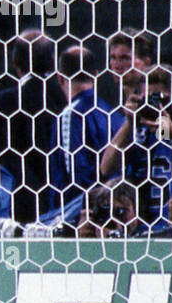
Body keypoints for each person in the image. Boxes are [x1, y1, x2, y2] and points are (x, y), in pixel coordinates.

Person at [99, 66, 172, 230]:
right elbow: (106, 168)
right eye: (147, 99)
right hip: (143, 229)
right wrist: (129, 123)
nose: (155, 107)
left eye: (159, 99)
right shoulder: (139, 125)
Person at [0, 29, 67, 223]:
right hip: (68, 199)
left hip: (26, 204)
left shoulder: (7, 100)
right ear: (53, 61)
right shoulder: (65, 96)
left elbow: (6, 157)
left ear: (15, 62)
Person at [51, 46, 123, 214]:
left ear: (60, 77)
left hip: (82, 216)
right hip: (116, 208)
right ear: (96, 75)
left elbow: (77, 179)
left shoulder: (71, 115)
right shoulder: (113, 114)